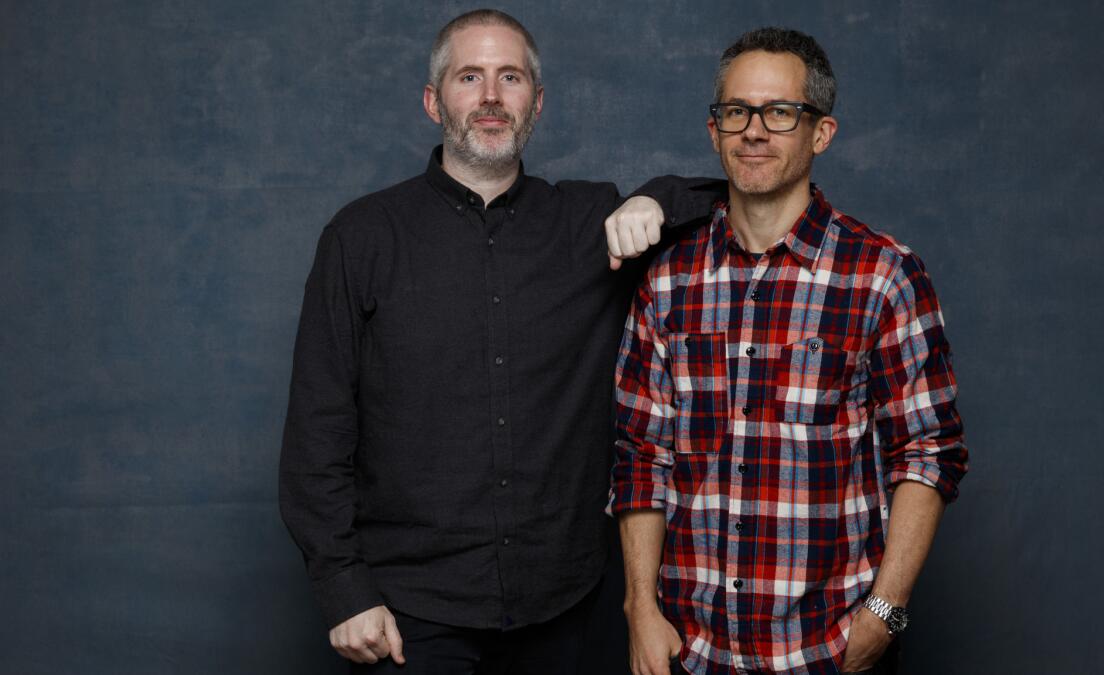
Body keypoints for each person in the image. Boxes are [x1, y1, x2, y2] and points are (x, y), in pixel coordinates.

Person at [278, 9, 718, 675]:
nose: (490, 96)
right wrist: (344, 590)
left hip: (566, 606)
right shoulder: (362, 237)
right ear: (434, 102)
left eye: (509, 77)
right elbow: (317, 430)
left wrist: (655, 200)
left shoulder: (588, 222)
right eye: (469, 77)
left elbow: (737, 195)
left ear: (535, 103)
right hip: (408, 614)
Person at [610, 27, 969, 675]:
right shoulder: (667, 283)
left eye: (780, 113)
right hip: (692, 651)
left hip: (826, 650)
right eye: (736, 112)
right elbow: (643, 455)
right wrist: (641, 609)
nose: (754, 131)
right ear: (714, 130)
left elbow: (928, 451)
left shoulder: (883, 276)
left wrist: (884, 615)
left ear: (821, 133)